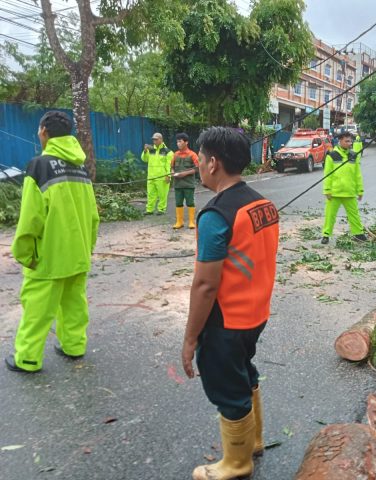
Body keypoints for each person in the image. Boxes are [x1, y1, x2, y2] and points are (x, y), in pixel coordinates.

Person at [182, 127, 279, 480]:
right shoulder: (263, 204)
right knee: (244, 371)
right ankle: (252, 441)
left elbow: (206, 286)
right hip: (256, 314)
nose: (199, 166)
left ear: (213, 163)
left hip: (227, 319)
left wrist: (190, 338)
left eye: (201, 158)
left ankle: (237, 463)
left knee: (226, 384)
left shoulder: (215, 215)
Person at [6, 111, 100, 373]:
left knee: (37, 308)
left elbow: (30, 217)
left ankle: (26, 359)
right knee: (74, 304)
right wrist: (87, 248)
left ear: (44, 132)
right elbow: (93, 216)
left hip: (48, 256)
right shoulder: (80, 168)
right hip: (78, 254)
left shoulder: (39, 165)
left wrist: (24, 252)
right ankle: (74, 346)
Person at [321, 131, 366, 244]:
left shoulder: (353, 156)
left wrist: (360, 190)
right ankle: (326, 235)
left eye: (350, 141)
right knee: (330, 215)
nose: (349, 143)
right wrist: (327, 190)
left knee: (354, 215)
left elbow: (357, 175)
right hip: (335, 193)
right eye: (347, 141)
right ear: (340, 141)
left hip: (350, 192)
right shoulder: (332, 156)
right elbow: (328, 174)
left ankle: (358, 234)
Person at [171, 133, 200, 229]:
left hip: (188, 184)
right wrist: (172, 172)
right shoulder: (175, 155)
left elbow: (197, 168)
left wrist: (185, 174)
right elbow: (172, 167)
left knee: (190, 202)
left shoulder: (192, 155)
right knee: (178, 202)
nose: (178, 143)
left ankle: (191, 222)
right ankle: (179, 222)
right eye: (177, 142)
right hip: (178, 184)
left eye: (180, 141)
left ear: (186, 142)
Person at [141, 132, 173, 215]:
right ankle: (149, 210)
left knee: (162, 195)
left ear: (161, 140)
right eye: (153, 139)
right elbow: (144, 159)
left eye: (156, 139)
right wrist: (145, 151)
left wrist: (168, 175)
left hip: (162, 177)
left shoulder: (168, 151)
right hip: (151, 176)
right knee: (150, 194)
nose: (154, 141)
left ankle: (161, 209)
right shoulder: (151, 149)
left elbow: (169, 165)